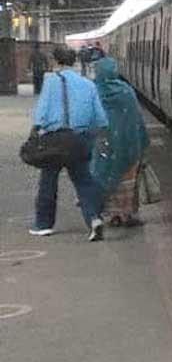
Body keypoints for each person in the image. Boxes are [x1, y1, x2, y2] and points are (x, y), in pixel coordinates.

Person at [28, 47, 109, 241]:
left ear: (56, 61)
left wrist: (37, 128)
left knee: (48, 181)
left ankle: (44, 224)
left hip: (55, 139)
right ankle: (94, 219)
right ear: (74, 62)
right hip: (79, 139)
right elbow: (100, 118)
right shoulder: (88, 85)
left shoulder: (51, 82)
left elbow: (42, 112)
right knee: (83, 181)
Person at [91, 57, 150, 227]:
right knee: (128, 182)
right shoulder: (126, 92)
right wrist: (142, 139)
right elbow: (137, 118)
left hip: (104, 145)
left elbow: (91, 117)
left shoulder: (95, 91)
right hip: (128, 144)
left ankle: (111, 215)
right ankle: (128, 214)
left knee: (107, 177)